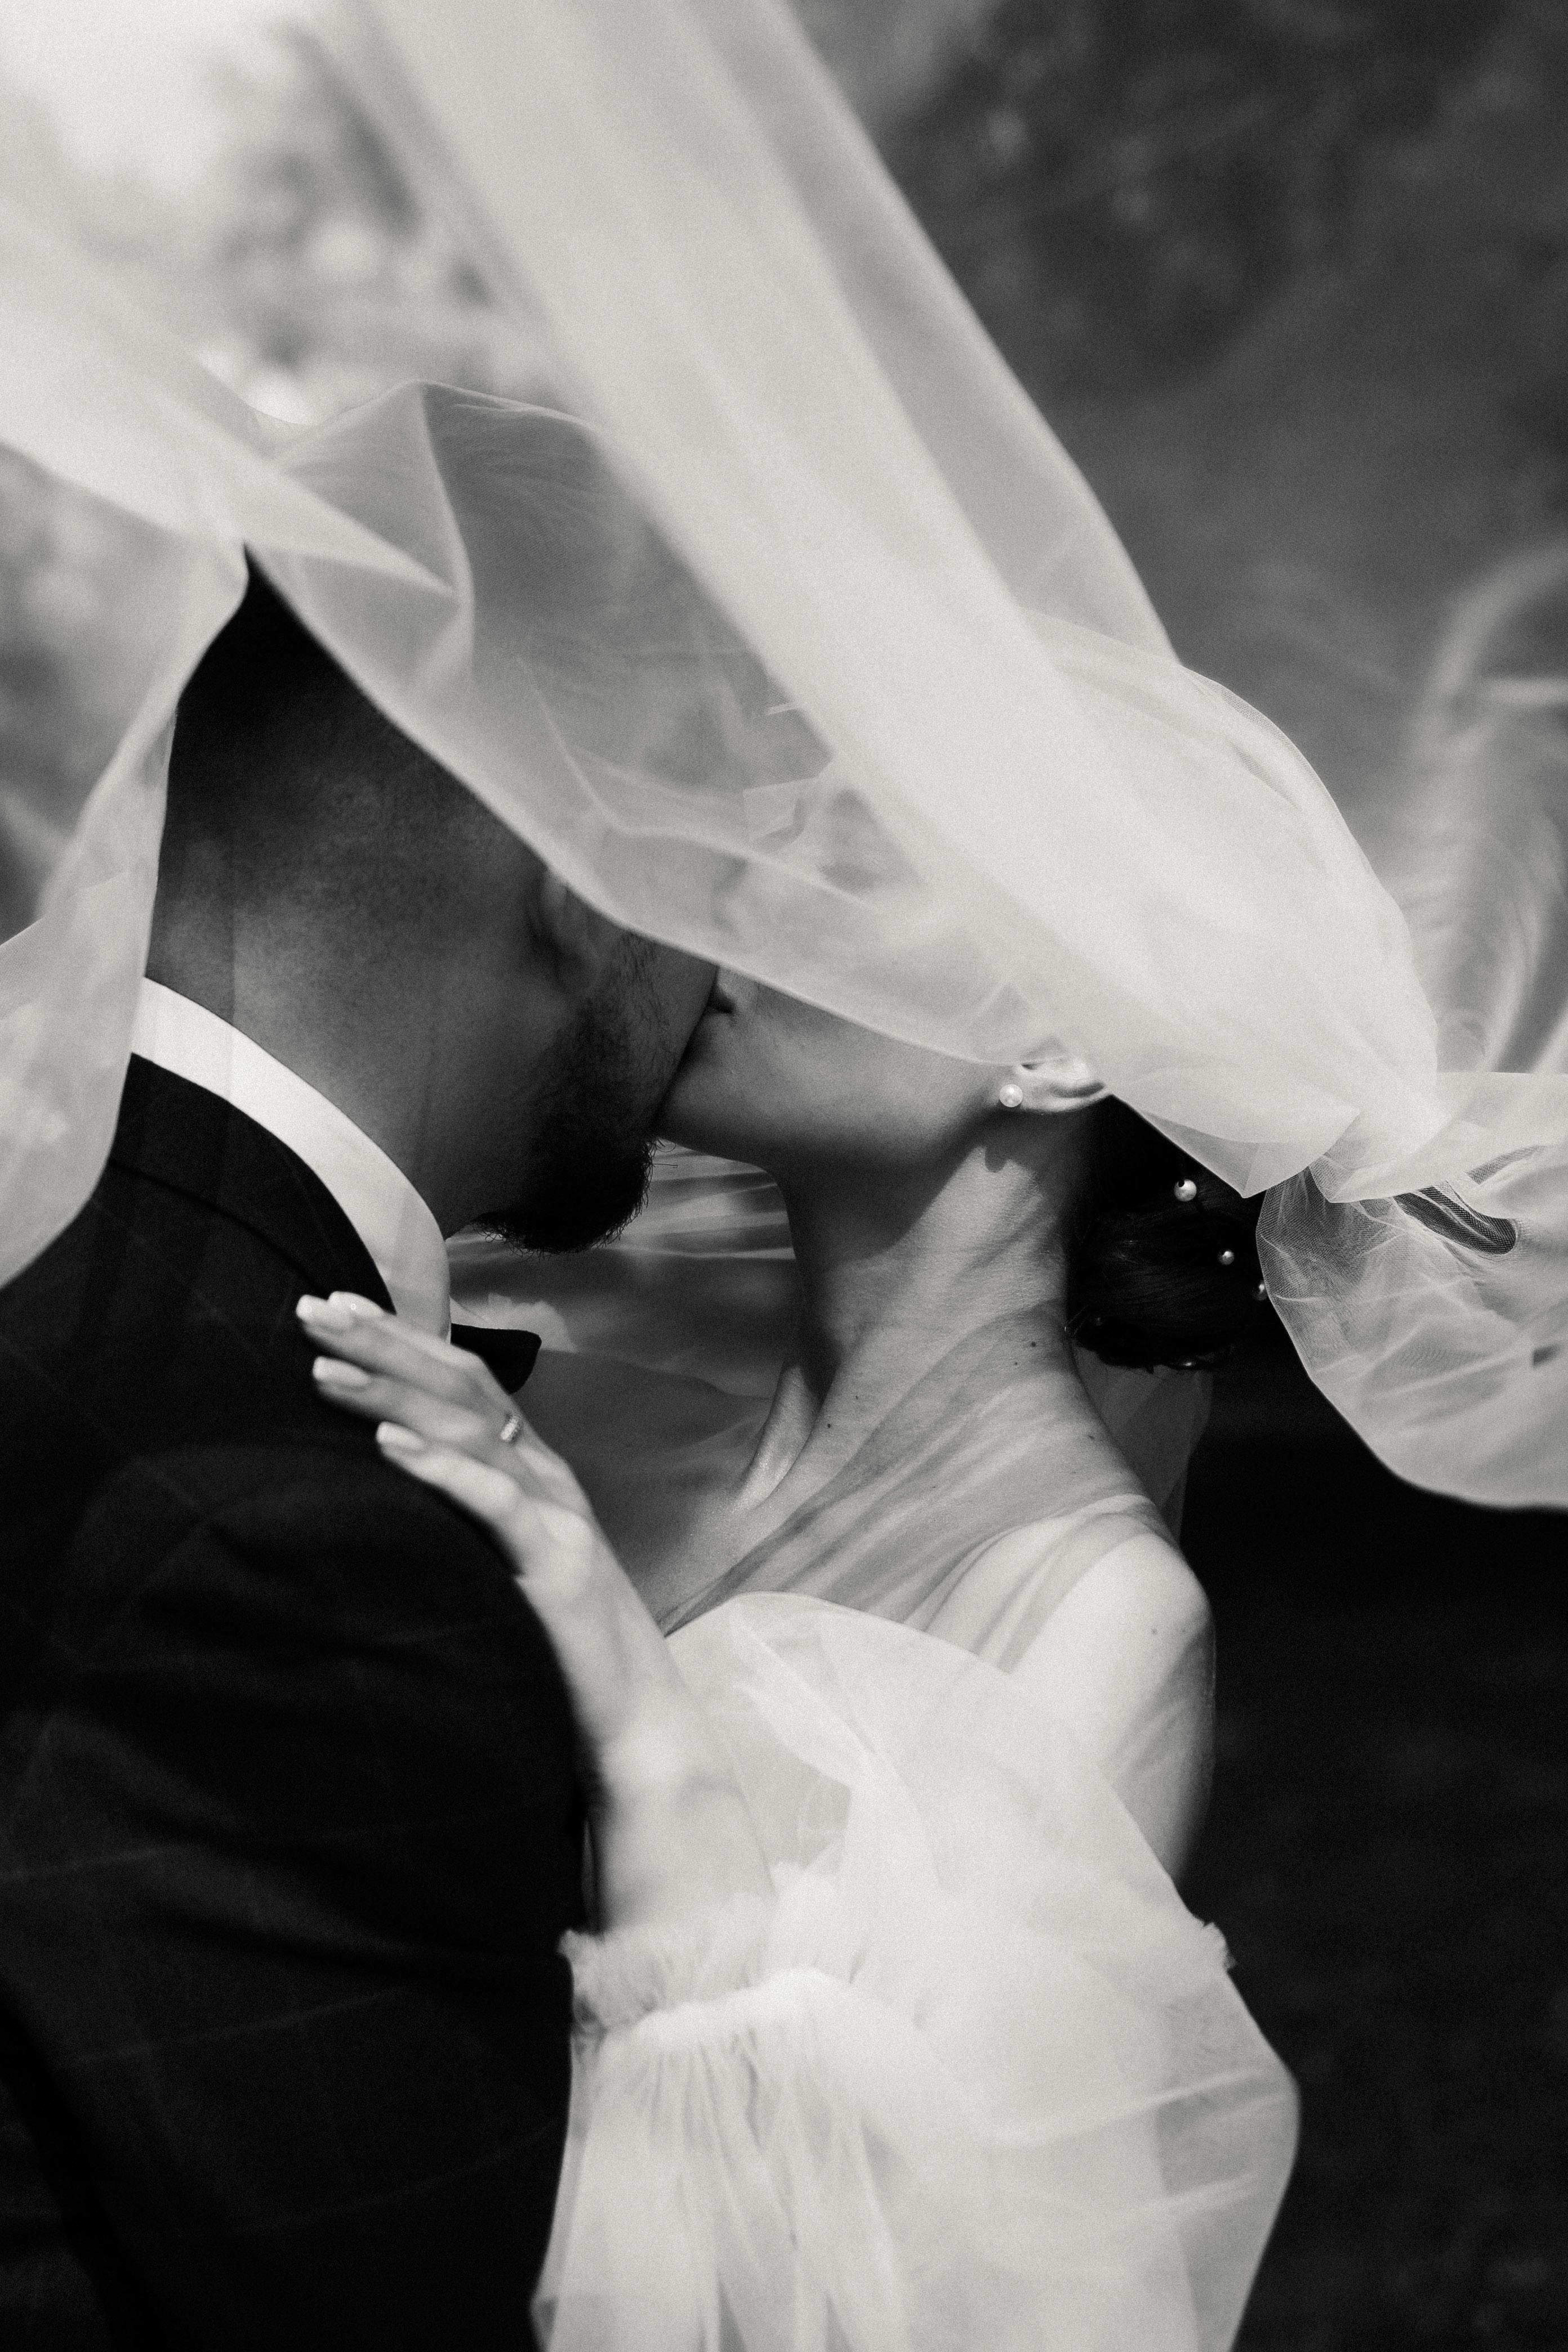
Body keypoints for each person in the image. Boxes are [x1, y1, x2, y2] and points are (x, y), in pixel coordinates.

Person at [0, 568, 715, 2345]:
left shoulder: (66, 1254)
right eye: (712, 878)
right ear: (580, 879)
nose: (730, 977)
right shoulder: (290, 1531)